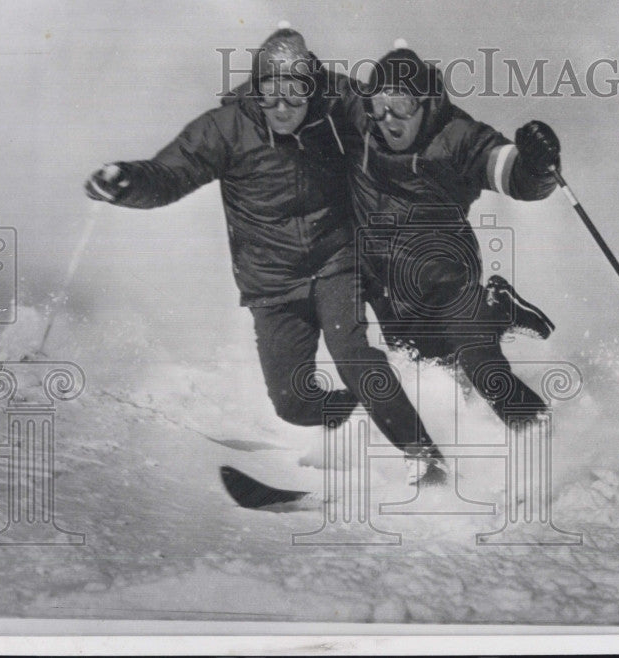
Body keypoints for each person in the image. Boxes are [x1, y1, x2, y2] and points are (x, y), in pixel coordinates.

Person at [83, 26, 447, 487]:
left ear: (310, 91)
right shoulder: (226, 128)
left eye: (294, 96)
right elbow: (170, 174)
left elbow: (394, 118)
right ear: (255, 90)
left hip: (336, 259)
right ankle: (352, 417)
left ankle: (425, 456)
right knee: (291, 404)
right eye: (270, 95)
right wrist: (127, 182)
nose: (281, 108)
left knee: (352, 353)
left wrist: (414, 90)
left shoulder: (337, 106)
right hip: (271, 282)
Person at [348, 43, 561, 470]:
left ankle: (546, 450)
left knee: (479, 363)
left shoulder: (457, 136)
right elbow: (308, 84)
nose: (389, 119)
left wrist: (537, 166)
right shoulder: (362, 125)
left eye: (402, 105)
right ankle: (499, 307)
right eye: (379, 107)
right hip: (389, 291)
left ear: (425, 102)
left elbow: (510, 172)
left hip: (447, 279)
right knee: (437, 380)